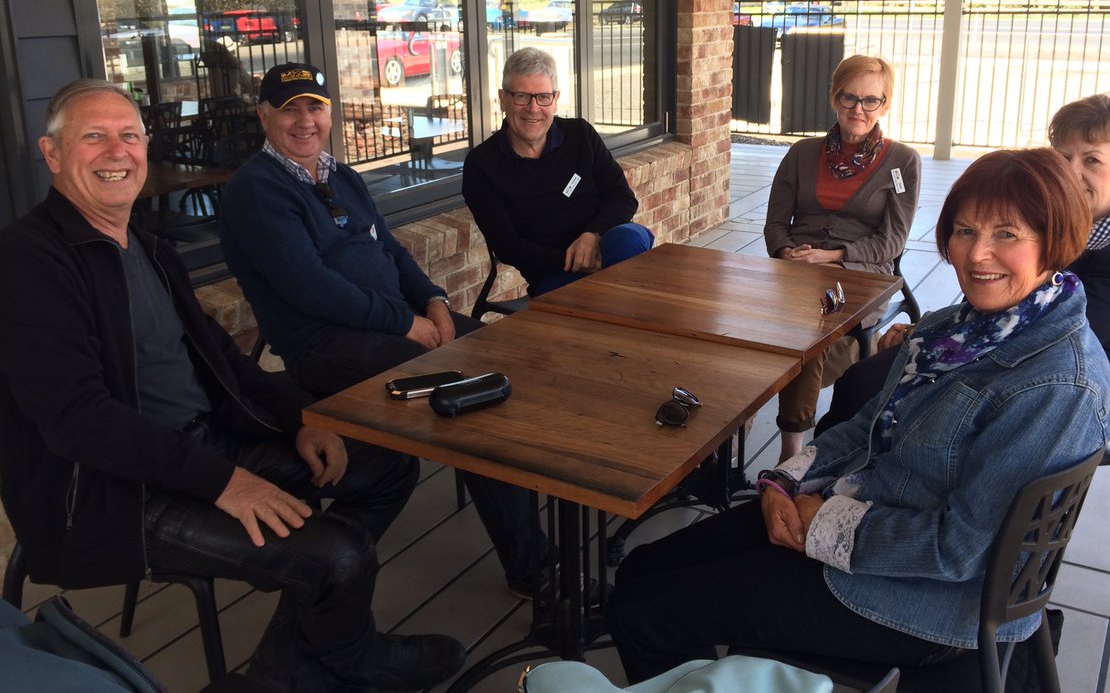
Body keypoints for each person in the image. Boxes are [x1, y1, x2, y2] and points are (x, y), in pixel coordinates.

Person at [0, 80, 464, 692]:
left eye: (129, 136)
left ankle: (294, 659)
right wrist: (225, 482)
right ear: (52, 153)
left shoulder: (148, 247)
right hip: (114, 493)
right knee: (337, 554)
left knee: (385, 467)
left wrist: (303, 419)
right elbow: (80, 419)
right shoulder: (30, 262)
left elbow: (224, 359)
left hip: (203, 445)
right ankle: (347, 659)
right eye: (94, 137)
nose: (117, 152)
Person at [605, 148, 1110, 684]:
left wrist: (819, 528)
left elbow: (961, 549)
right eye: (964, 231)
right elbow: (866, 425)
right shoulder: (955, 329)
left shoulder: (1057, 386)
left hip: (923, 599)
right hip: (860, 511)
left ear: (1056, 241)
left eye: (1007, 235)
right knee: (641, 569)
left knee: (647, 613)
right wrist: (785, 482)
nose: (976, 254)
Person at [218, 62, 548, 600]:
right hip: (323, 345)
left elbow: (391, 251)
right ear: (263, 116)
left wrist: (435, 304)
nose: (304, 121)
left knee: (509, 357)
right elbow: (311, 288)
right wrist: (407, 323)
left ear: (329, 115)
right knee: (478, 399)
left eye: (314, 107)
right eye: (289, 109)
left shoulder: (340, 175)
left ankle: (532, 525)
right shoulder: (257, 190)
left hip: (396, 323)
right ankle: (532, 566)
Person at [817, 93, 1110, 435]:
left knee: (865, 389)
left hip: (1039, 391)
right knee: (858, 381)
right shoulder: (1062, 220)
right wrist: (925, 333)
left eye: (1092, 161)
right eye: (1064, 155)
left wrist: (933, 341)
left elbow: (1052, 340)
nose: (1071, 171)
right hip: (996, 344)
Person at [762, 54, 920, 459]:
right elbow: (775, 223)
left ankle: (791, 449)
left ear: (885, 105)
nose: (858, 109)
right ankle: (735, 414)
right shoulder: (801, 154)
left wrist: (834, 256)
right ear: (835, 98)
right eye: (849, 97)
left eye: (871, 100)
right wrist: (785, 252)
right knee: (740, 328)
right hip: (795, 268)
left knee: (810, 336)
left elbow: (893, 241)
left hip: (859, 271)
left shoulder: (902, 161)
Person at [462, 47, 653, 296]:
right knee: (610, 298)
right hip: (553, 272)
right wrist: (574, 259)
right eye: (521, 96)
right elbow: (508, 247)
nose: (533, 108)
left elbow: (622, 197)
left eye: (543, 97)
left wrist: (592, 236)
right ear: (503, 99)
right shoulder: (482, 165)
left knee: (629, 239)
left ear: (555, 99)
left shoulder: (580, 135)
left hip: (607, 246)